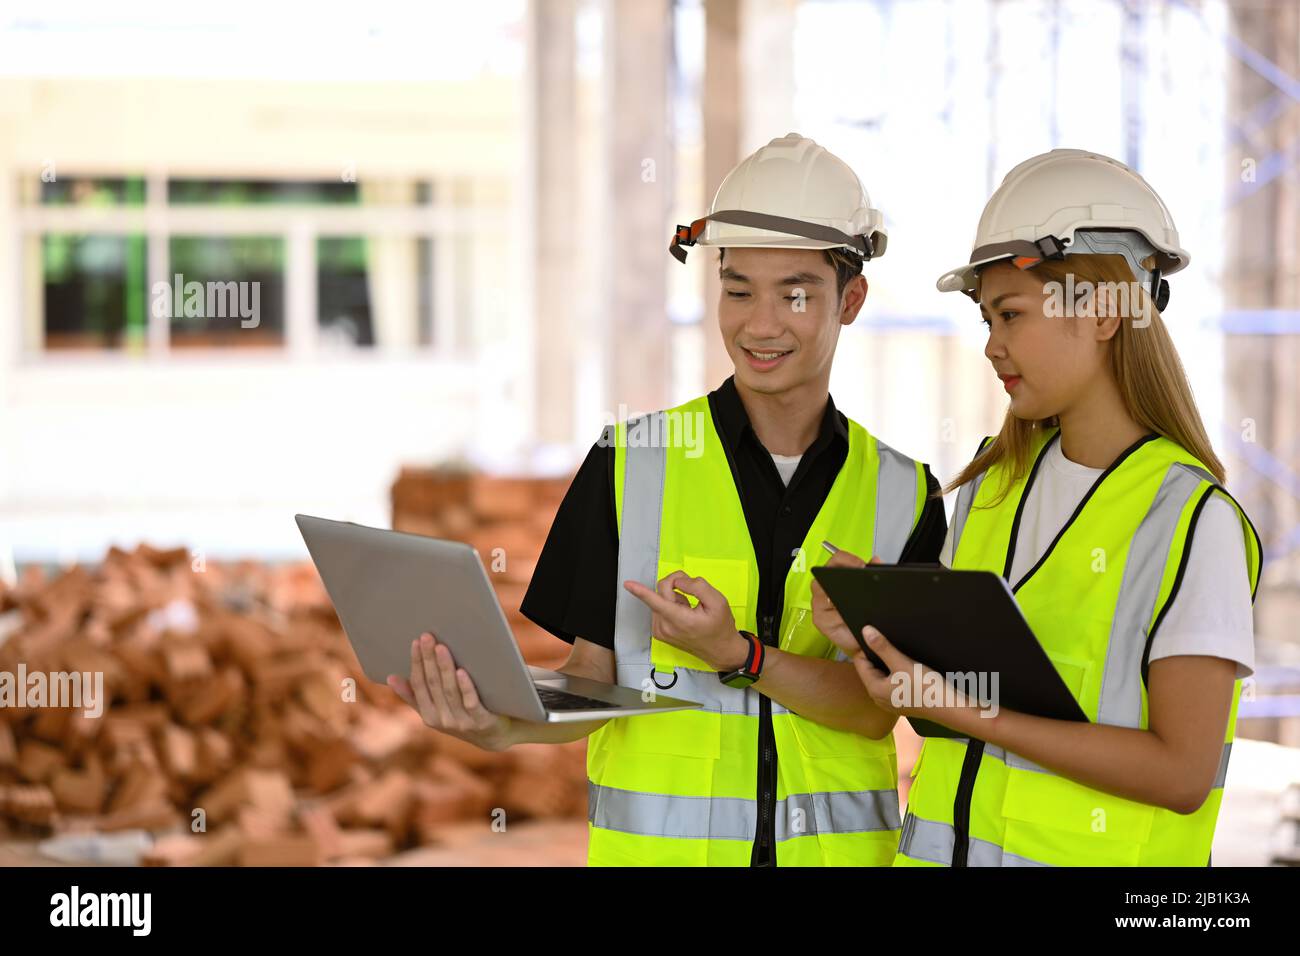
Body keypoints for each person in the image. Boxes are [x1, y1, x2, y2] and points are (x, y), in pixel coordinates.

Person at [389, 132, 947, 866]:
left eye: (796, 294)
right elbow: (593, 676)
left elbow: (878, 711)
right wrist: (506, 726)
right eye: (738, 289)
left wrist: (742, 656)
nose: (760, 324)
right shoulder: (631, 463)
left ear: (851, 298)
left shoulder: (905, 493)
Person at [813, 148, 1263, 867]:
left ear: (1103, 311)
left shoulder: (1190, 521)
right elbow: (953, 712)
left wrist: (968, 711)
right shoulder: (994, 489)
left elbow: (1181, 774)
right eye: (989, 318)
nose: (992, 346)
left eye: (1011, 315)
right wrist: (877, 640)